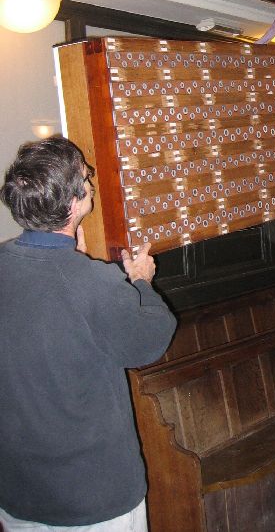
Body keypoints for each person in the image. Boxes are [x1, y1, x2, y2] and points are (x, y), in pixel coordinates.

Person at [0, 136, 177, 531]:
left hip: (19, 491)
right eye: (86, 177)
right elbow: (150, 340)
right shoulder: (93, 282)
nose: (92, 183)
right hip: (93, 496)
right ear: (73, 202)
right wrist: (142, 282)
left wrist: (75, 264)